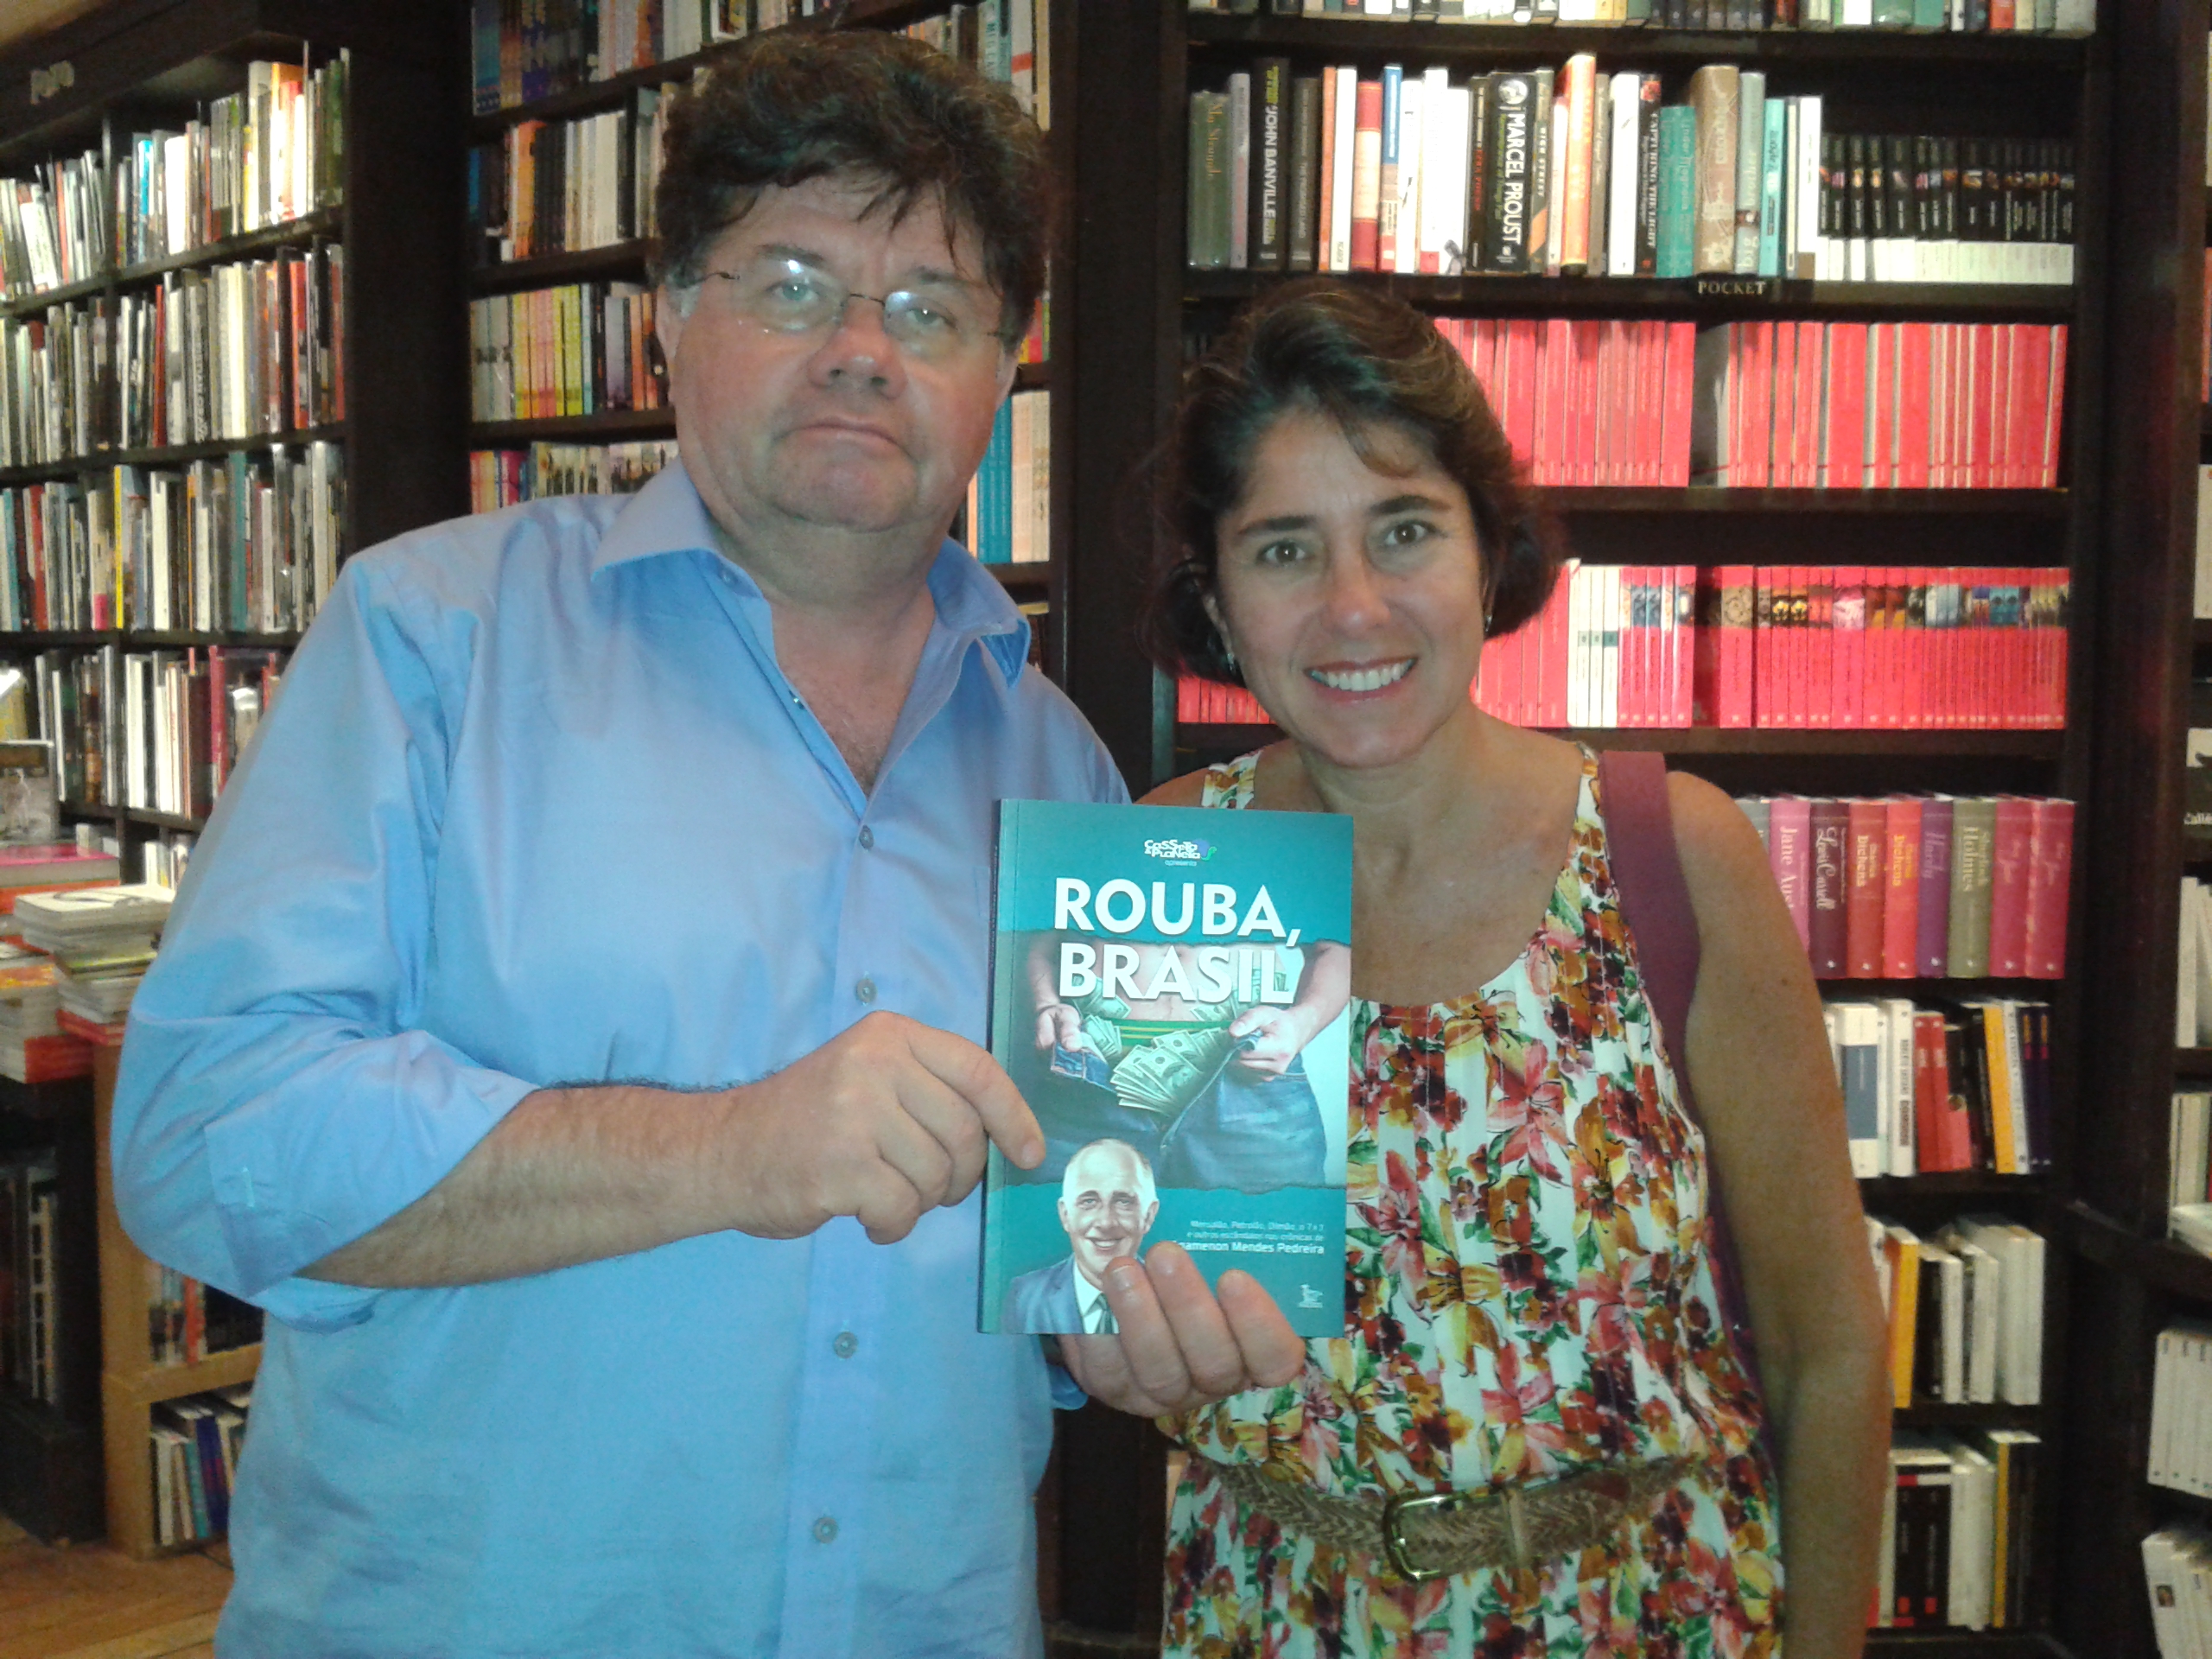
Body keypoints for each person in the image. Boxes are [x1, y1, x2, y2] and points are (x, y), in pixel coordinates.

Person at [107, 32, 1297, 1658]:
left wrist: (1119, 1330)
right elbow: (206, 1137)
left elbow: (1058, 1264)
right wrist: (732, 1150)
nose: (863, 352)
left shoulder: (1063, 773)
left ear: (1003, 366)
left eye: (932, 307)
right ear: (670, 310)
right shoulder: (432, 639)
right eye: (793, 284)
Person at [1087, 278, 1891, 1658]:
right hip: (1278, 1613)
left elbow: (1830, 1348)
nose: (1353, 608)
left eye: (1405, 531)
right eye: (1283, 549)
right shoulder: (1169, 869)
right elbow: (1106, 1271)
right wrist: (1112, 1338)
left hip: (1643, 1610)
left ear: (1487, 552)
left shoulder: (1665, 853)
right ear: (1214, 597)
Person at [1020, 927, 1351, 1191]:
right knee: (1063, 1243)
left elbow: (1334, 947)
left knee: (1268, 1244)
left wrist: (1301, 1024)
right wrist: (1045, 1005)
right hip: (1088, 1080)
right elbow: (1042, 943)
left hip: (1250, 1083)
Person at [1001, 1138, 1159, 1333]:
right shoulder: (1024, 1298)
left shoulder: (1170, 1296)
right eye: (1089, 1201)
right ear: (1065, 1215)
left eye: (1123, 1202)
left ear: (1149, 1215)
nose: (1106, 1222)